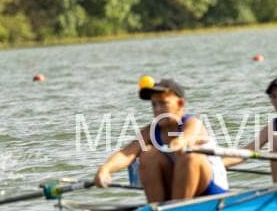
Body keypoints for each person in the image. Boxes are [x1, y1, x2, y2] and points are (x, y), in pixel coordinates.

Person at [94, 78, 228, 202]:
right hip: (178, 189)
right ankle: (156, 209)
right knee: (148, 154)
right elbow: (126, 154)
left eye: (163, 103)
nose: (158, 109)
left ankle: (175, 210)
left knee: (189, 156)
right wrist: (105, 169)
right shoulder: (150, 131)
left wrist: (180, 142)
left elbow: (187, 137)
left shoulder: (193, 123)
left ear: (180, 103)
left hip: (211, 190)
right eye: (154, 104)